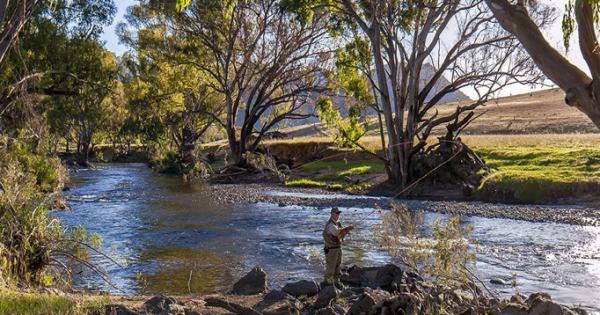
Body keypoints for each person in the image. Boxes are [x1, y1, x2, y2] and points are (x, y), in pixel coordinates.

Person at [322, 207, 354, 282]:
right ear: (332, 214)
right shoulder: (330, 224)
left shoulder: (337, 223)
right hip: (331, 249)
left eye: (339, 213)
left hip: (338, 248)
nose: (338, 215)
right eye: (336, 213)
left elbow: (341, 231)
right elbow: (336, 232)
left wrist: (347, 230)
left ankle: (337, 283)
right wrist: (347, 228)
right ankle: (326, 284)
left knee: (338, 267)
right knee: (330, 268)